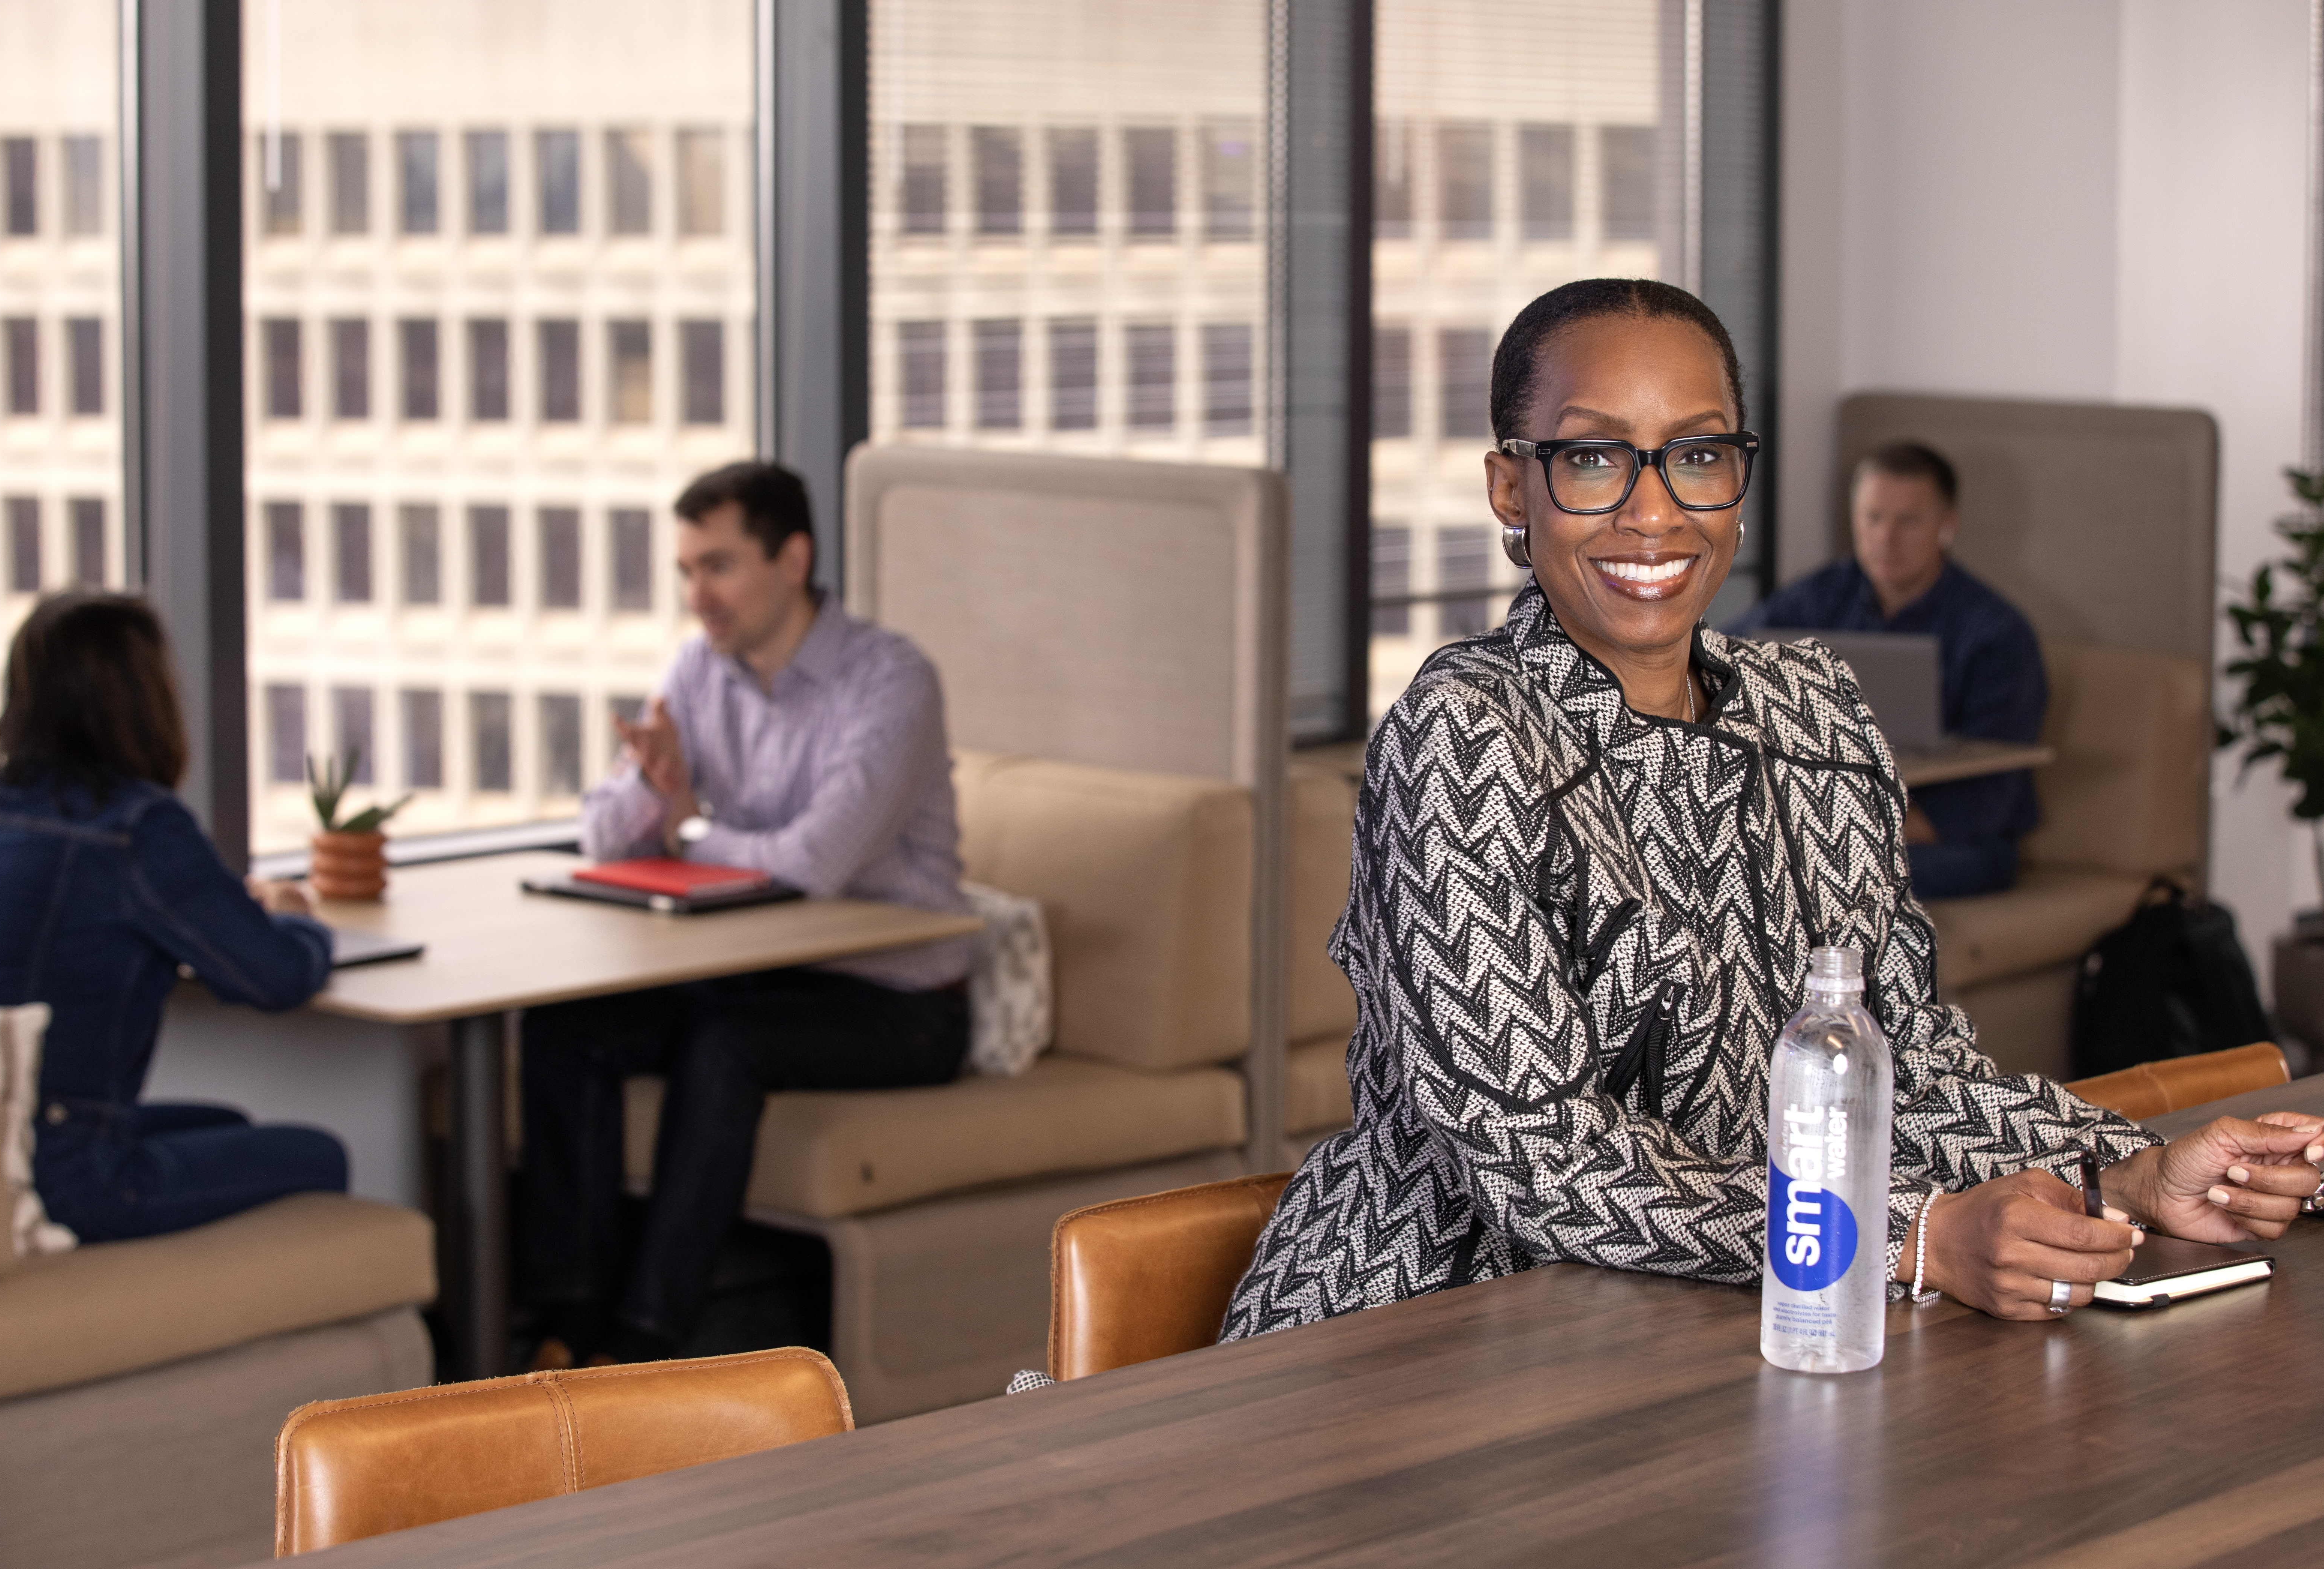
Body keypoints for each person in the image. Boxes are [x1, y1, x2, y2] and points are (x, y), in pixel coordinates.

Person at [1221, 279, 2324, 1340]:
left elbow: (1906, 1061)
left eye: (1696, 455)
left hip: (1739, 1310)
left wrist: (2120, 1170)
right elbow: (1535, 1158)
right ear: (1512, 486)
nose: (1651, 511)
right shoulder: (1464, 731)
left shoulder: (1814, 711)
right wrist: (1910, 1236)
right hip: (1438, 1319)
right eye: (1593, 456)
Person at [516, 460, 971, 1370]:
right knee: (569, 1025)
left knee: (723, 1043)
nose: (698, 595)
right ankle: (564, 1331)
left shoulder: (890, 681)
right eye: (687, 570)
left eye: (717, 566)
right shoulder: (700, 669)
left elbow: (813, 860)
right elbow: (603, 831)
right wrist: (659, 792)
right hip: (765, 973)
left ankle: (644, 1352)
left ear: (792, 557)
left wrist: (687, 824)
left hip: (898, 1002)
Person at [0, 592, 347, 1242]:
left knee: (227, 1125)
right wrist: (298, 917)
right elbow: (275, 978)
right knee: (321, 1154)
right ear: (141, 694)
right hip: (76, 1171)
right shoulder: (136, 825)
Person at [1730, 442, 2046, 899]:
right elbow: (1724, 652)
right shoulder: (1818, 598)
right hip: (1823, 824)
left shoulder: (1997, 634)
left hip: (1953, 842)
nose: (1885, 538)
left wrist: (1846, 839)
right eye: (1872, 518)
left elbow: (1991, 791)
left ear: (1946, 526)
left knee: (1834, 879)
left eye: (1908, 521)